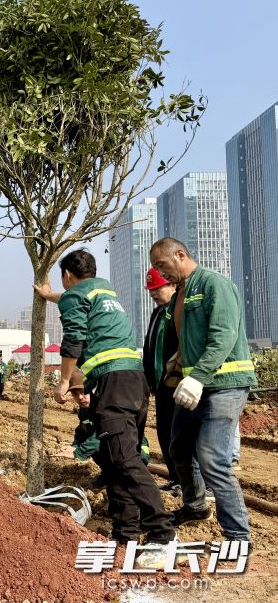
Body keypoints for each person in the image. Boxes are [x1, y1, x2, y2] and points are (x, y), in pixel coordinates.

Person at [35, 248, 175, 569]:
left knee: (124, 459)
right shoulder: (104, 290)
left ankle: (161, 532)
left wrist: (63, 382)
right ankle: (125, 533)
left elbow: (73, 340)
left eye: (63, 282)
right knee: (116, 458)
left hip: (112, 382)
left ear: (68, 275)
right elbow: (73, 298)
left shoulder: (76, 295)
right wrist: (49, 295)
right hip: (134, 381)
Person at [150, 238, 254, 541]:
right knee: (179, 449)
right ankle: (195, 506)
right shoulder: (181, 294)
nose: (160, 273)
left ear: (180, 255)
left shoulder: (213, 284)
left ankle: (238, 536)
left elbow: (223, 335)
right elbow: (181, 345)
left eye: (162, 265)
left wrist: (198, 377)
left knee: (212, 460)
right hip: (196, 385)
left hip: (223, 385)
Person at [141, 267, 180, 495]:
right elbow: (150, 350)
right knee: (165, 434)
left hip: (177, 385)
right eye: (151, 290)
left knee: (180, 437)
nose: (153, 293)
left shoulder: (178, 310)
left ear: (172, 285)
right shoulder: (157, 313)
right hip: (161, 387)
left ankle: (192, 484)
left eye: (157, 288)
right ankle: (176, 479)